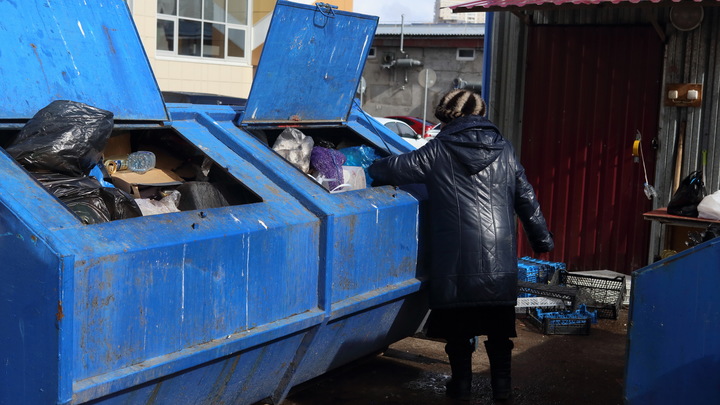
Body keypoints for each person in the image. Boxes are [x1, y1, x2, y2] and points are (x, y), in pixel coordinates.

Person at [368, 89, 554, 402]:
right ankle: (503, 391)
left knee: (458, 333)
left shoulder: (437, 150)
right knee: (498, 333)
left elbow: (392, 169)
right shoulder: (505, 149)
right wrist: (542, 239)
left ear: (448, 117)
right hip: (499, 260)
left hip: (456, 260)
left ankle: (461, 388)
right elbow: (527, 198)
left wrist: (370, 165)